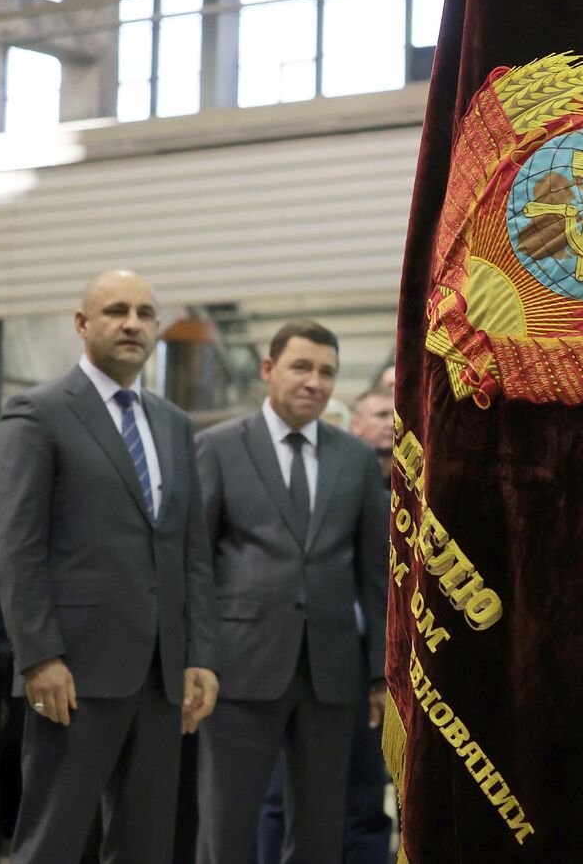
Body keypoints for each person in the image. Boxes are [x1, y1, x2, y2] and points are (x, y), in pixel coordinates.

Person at [0, 270, 218, 863]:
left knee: (145, 845)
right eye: (116, 310)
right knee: (53, 840)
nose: (132, 324)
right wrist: (38, 656)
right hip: (73, 673)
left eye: (145, 313)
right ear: (82, 324)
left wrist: (198, 655)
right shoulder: (37, 413)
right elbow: (16, 547)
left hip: (161, 677)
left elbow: (189, 551)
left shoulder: (172, 422)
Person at [194, 321, 388, 864]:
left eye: (326, 371)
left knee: (321, 828)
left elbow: (374, 574)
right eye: (301, 367)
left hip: (331, 675)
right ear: (267, 370)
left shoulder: (353, 458)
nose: (314, 382)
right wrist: (197, 659)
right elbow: (195, 565)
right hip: (237, 671)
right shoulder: (216, 449)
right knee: (226, 823)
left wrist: (378, 672)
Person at [349, 388, 395, 477]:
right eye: (382, 415)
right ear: (356, 425)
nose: (391, 423)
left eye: (396, 416)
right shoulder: (341, 474)